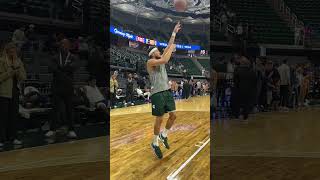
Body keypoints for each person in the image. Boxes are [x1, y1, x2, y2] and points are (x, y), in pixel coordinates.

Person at [147, 21, 181, 159]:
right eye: (158, 51)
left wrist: (174, 33)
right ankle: (154, 143)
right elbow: (165, 59)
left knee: (173, 116)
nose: (160, 52)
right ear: (152, 54)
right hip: (157, 94)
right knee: (159, 119)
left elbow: (168, 47)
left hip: (166, 92)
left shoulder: (160, 57)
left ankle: (164, 135)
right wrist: (171, 49)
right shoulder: (150, 62)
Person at [46, 39, 77, 139]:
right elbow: (51, 68)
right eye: (62, 44)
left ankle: (71, 129)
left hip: (68, 86)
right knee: (55, 108)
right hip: (56, 86)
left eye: (66, 44)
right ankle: (52, 129)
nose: (64, 45)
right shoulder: (54, 57)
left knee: (69, 109)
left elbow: (73, 67)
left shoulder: (73, 57)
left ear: (69, 46)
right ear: (60, 46)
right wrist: (64, 69)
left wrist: (59, 68)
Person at [0, 42, 26, 146]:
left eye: (14, 50)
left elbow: (23, 77)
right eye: (11, 50)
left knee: (13, 116)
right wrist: (10, 72)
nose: (13, 52)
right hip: (3, 93)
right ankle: (1, 139)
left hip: (15, 91)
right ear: (7, 51)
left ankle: (13, 137)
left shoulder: (18, 62)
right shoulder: (1, 61)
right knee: (2, 117)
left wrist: (17, 71)